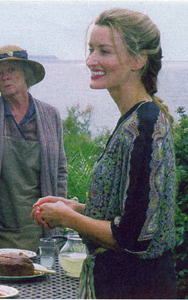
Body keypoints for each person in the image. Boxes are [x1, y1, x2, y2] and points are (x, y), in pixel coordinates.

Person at [31, 8, 177, 299]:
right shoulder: (134, 120)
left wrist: (68, 219)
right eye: (91, 49)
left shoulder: (145, 126)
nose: (91, 60)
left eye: (104, 51)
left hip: (137, 289)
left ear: (138, 60)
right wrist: (75, 208)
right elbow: (129, 215)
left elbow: (134, 237)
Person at [0, 45, 68, 254]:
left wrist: (59, 213)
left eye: (12, 70)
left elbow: (60, 171)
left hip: (39, 229)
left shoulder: (50, 115)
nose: (5, 77)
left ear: (26, 74)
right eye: (0, 73)